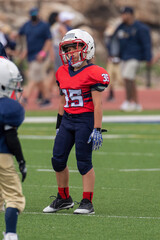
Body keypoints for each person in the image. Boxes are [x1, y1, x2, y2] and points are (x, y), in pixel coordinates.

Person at [43, 29, 110, 214]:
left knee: (83, 162)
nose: (71, 52)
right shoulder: (62, 72)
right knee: (57, 159)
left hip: (85, 120)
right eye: (68, 49)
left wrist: (97, 128)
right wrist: (58, 125)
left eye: (76, 47)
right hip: (68, 120)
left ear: (87, 48)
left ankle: (87, 202)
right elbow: (62, 100)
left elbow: (98, 104)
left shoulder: (94, 72)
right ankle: (63, 198)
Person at [0, 57, 27, 240]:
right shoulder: (10, 108)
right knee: (14, 198)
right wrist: (21, 161)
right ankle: (11, 234)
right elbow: (11, 138)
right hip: (2, 155)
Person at [111, 6, 152, 111]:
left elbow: (146, 44)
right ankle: (137, 104)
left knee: (127, 77)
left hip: (135, 57)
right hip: (124, 57)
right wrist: (114, 54)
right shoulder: (121, 27)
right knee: (130, 80)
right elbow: (113, 40)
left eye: (125, 14)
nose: (123, 16)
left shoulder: (140, 28)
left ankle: (128, 101)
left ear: (130, 14)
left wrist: (148, 58)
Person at [18, 7, 54, 107]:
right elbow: (19, 35)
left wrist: (43, 53)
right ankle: (47, 99)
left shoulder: (44, 25)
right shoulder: (27, 25)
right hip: (30, 56)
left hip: (40, 57)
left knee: (32, 77)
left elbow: (49, 40)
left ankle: (24, 98)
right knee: (39, 80)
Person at [104, 19, 122, 101]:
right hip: (112, 59)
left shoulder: (118, 37)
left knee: (120, 79)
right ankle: (111, 95)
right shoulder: (109, 39)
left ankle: (129, 98)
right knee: (110, 78)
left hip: (119, 59)